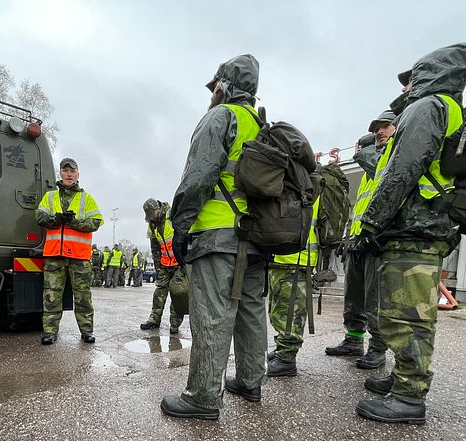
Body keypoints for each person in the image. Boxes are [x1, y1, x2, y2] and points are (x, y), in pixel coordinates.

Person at [354, 43, 466, 424]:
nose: (406, 87)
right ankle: (402, 378)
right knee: (399, 311)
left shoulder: (427, 107)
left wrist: (372, 222)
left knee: (409, 315)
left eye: (412, 78)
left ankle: (409, 396)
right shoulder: (446, 108)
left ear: (432, 74)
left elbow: (403, 170)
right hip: (423, 227)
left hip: (416, 229)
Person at [160, 54, 266, 420]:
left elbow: (197, 178)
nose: (211, 93)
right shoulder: (260, 124)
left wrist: (181, 226)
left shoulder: (221, 117)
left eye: (214, 87)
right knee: (250, 310)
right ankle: (250, 380)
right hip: (255, 238)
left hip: (218, 235)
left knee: (212, 315)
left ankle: (203, 397)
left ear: (223, 86)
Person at [325, 111, 396, 369]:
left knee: (375, 299)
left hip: (377, 243)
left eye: (385, 126)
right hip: (357, 241)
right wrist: (349, 238)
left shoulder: (391, 158)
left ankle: (378, 348)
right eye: (376, 128)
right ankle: (353, 341)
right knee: (353, 297)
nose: (379, 131)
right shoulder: (369, 170)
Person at [36, 158, 103, 345]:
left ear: (78, 175)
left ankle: (87, 331)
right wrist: (56, 219)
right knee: (51, 295)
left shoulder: (86, 198)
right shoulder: (50, 197)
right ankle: (50, 331)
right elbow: (39, 216)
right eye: (65, 170)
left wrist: (74, 222)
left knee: (83, 296)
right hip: (55, 255)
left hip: (79, 257)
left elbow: (96, 222)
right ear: (60, 173)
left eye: (72, 171)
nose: (69, 174)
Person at [267, 196, 320, 377]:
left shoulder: (309, 184)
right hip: (280, 256)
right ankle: (283, 347)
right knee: (279, 310)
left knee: (290, 312)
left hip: (297, 258)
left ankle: (287, 358)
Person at [140, 198, 184, 335]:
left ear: (157, 209)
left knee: (177, 293)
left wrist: (185, 263)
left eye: (151, 214)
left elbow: (184, 237)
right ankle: (154, 320)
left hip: (179, 263)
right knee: (159, 292)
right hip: (164, 264)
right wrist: (158, 267)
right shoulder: (152, 225)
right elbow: (155, 248)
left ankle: (175, 324)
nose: (151, 218)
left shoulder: (172, 216)